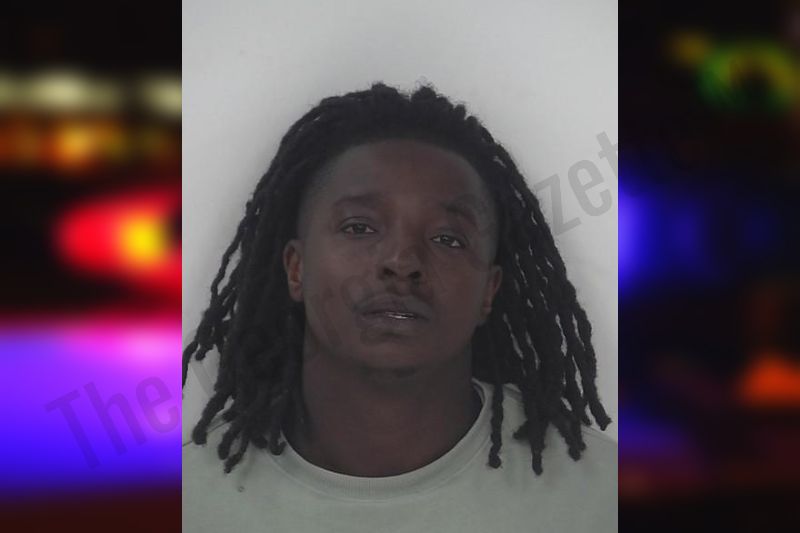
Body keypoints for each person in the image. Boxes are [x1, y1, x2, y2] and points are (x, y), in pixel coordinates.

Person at [182, 83, 617, 532]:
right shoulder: (184, 503)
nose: (402, 262)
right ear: (296, 268)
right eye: (359, 227)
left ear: (489, 291)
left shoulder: (604, 497)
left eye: (448, 238)